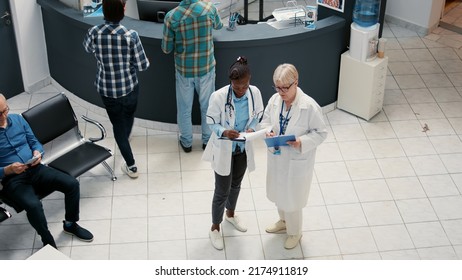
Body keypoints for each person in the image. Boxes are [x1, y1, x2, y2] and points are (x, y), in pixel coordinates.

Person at [0, 93, 93, 248]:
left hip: (35, 168)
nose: (4, 116)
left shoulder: (17, 119)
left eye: (5, 110)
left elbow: (34, 142)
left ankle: (70, 224)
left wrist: (38, 153)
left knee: (71, 184)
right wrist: (7, 170)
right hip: (13, 180)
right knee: (34, 205)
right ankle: (47, 240)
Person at [260, 64, 327, 249]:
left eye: (284, 88)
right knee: (279, 193)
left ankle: (295, 232)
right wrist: (268, 131)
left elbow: (321, 133)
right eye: (277, 87)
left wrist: (301, 142)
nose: (280, 92)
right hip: (277, 156)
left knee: (293, 199)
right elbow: (265, 121)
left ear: (296, 83)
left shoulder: (309, 106)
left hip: (297, 160)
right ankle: (283, 222)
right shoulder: (275, 100)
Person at [202, 56, 264, 250]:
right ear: (231, 82)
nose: (241, 90)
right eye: (237, 87)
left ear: (249, 80)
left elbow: (259, 114)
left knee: (236, 185)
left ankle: (230, 215)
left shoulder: (254, 93)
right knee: (221, 191)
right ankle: (214, 228)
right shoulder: (219, 97)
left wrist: (252, 129)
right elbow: (211, 122)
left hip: (242, 149)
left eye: (244, 86)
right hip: (224, 149)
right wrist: (224, 132)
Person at [83, 0, 150, 178]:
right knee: (126, 119)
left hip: (106, 89)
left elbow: (87, 48)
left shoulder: (94, 32)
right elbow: (143, 65)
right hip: (129, 87)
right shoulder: (131, 35)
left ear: (103, 11)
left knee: (118, 123)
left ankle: (123, 141)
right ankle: (131, 165)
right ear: (123, 10)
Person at [161, 0, 223, 153]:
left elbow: (166, 49)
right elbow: (219, 26)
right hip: (206, 68)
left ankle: (187, 142)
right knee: (208, 107)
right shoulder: (210, 9)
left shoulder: (172, 16)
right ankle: (207, 141)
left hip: (184, 70)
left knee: (184, 108)